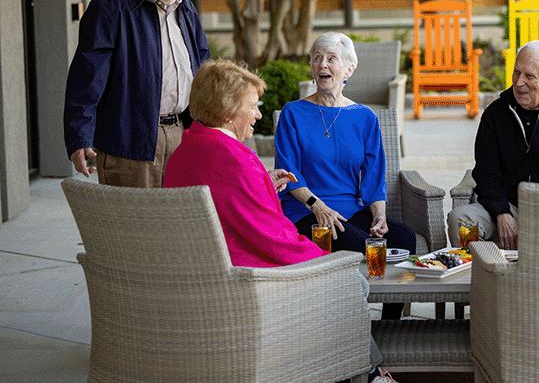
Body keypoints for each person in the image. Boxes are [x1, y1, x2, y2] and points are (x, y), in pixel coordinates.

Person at [163, 60, 396, 383]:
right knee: (349, 282)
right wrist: (326, 261)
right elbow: (273, 238)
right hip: (245, 280)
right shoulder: (236, 159)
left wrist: (261, 183)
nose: (258, 115)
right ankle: (366, 374)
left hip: (202, 274)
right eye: (253, 107)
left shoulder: (185, 151)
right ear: (229, 111)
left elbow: (226, 202)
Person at [274, 32, 416, 320]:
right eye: (316, 58)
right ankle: (348, 324)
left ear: (349, 69)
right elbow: (288, 173)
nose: (322, 64)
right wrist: (317, 206)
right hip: (307, 211)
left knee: (404, 239)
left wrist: (379, 216)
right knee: (366, 246)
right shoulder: (294, 113)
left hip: (350, 209)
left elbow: (375, 175)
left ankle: (390, 323)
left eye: (331, 59)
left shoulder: (365, 117)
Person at [64, 0, 210, 188]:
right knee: (134, 227)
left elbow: (202, 67)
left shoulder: (185, 8)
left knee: (180, 225)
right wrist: (79, 138)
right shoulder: (110, 8)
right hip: (129, 139)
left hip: (182, 134)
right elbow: (86, 81)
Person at [447, 40, 539, 250]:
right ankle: (486, 279)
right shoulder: (496, 113)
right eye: (516, 72)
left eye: (529, 76)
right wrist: (502, 212)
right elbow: (486, 172)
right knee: (461, 220)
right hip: (508, 207)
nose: (519, 83)